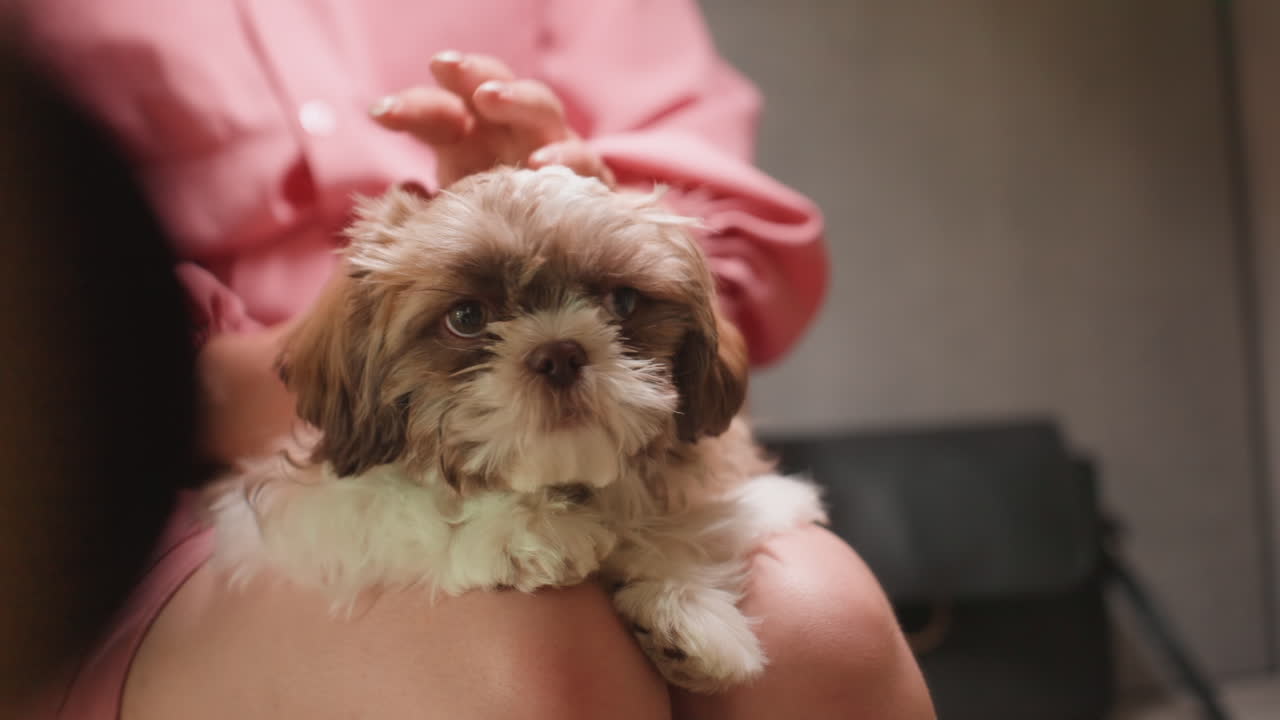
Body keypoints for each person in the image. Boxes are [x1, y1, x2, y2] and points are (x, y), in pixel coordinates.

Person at [21, 1, 935, 718]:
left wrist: (589, 215)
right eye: (471, 317)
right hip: (126, 511)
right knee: (536, 661)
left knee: (827, 628)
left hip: (630, 470)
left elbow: (718, 263)